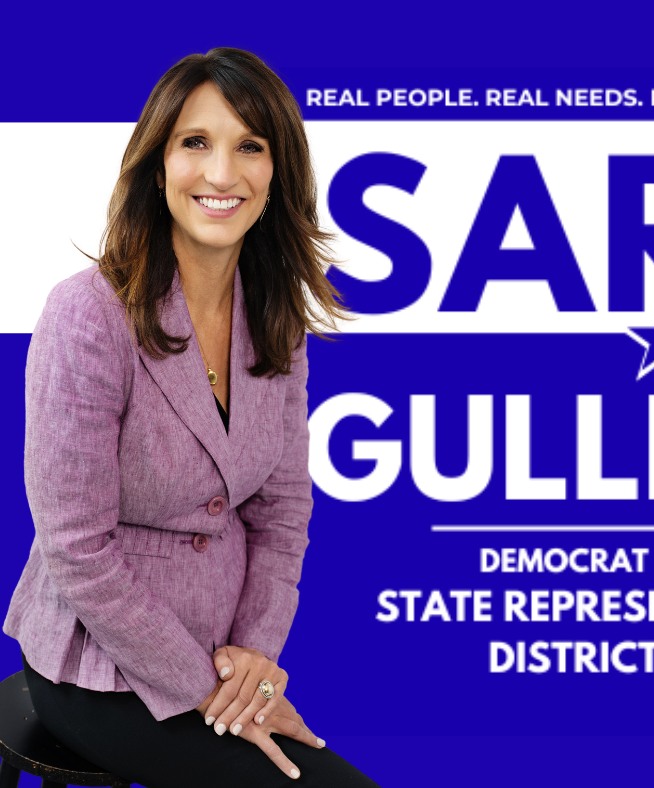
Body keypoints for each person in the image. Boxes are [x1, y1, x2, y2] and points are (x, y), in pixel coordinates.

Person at [2, 47, 379, 787]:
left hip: (228, 658)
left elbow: (283, 513)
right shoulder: (87, 315)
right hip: (100, 667)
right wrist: (210, 688)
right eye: (195, 143)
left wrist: (255, 665)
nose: (220, 173)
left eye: (250, 147)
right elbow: (76, 544)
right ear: (157, 162)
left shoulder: (275, 320)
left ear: (278, 172)